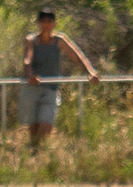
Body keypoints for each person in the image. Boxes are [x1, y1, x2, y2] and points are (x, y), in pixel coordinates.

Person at [21, 10, 98, 149]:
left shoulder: (59, 40)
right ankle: (34, 158)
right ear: (38, 23)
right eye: (43, 21)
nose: (46, 24)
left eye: (49, 21)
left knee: (46, 126)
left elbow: (77, 56)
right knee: (33, 130)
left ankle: (39, 153)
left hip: (51, 89)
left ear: (54, 23)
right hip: (32, 90)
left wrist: (90, 72)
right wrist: (30, 75)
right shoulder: (31, 40)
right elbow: (28, 59)